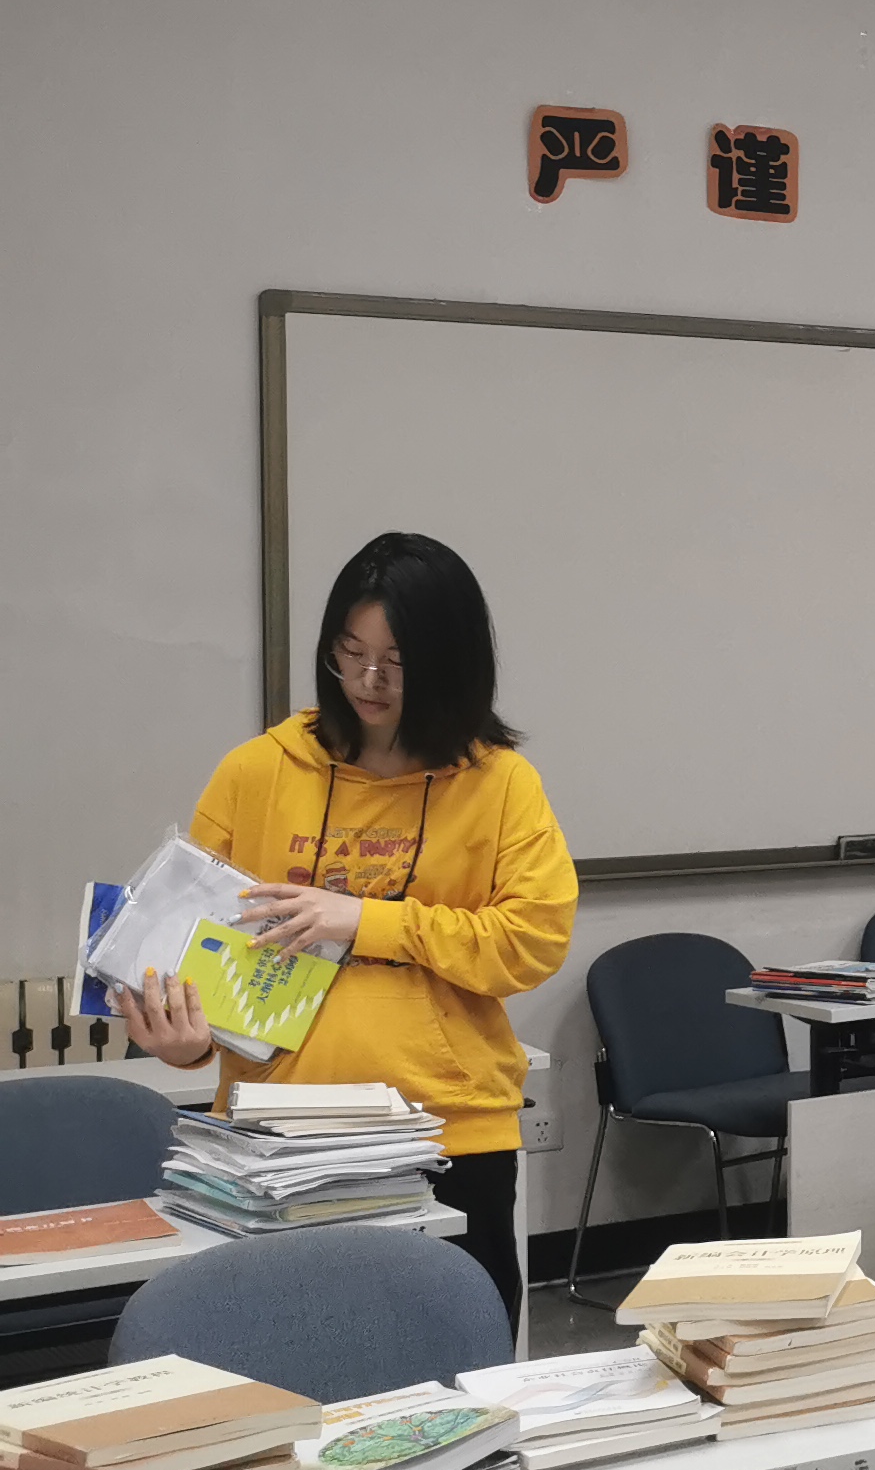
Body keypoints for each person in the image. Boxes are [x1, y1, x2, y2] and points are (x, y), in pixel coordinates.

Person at [113, 532, 576, 1316]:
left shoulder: (500, 784)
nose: (368, 680)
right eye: (350, 653)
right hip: (277, 1139)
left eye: (397, 661)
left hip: (445, 1131)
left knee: (454, 1356)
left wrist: (368, 920)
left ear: (452, 662)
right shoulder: (256, 773)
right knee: (288, 1356)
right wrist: (186, 1042)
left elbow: (530, 943)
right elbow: (198, 949)